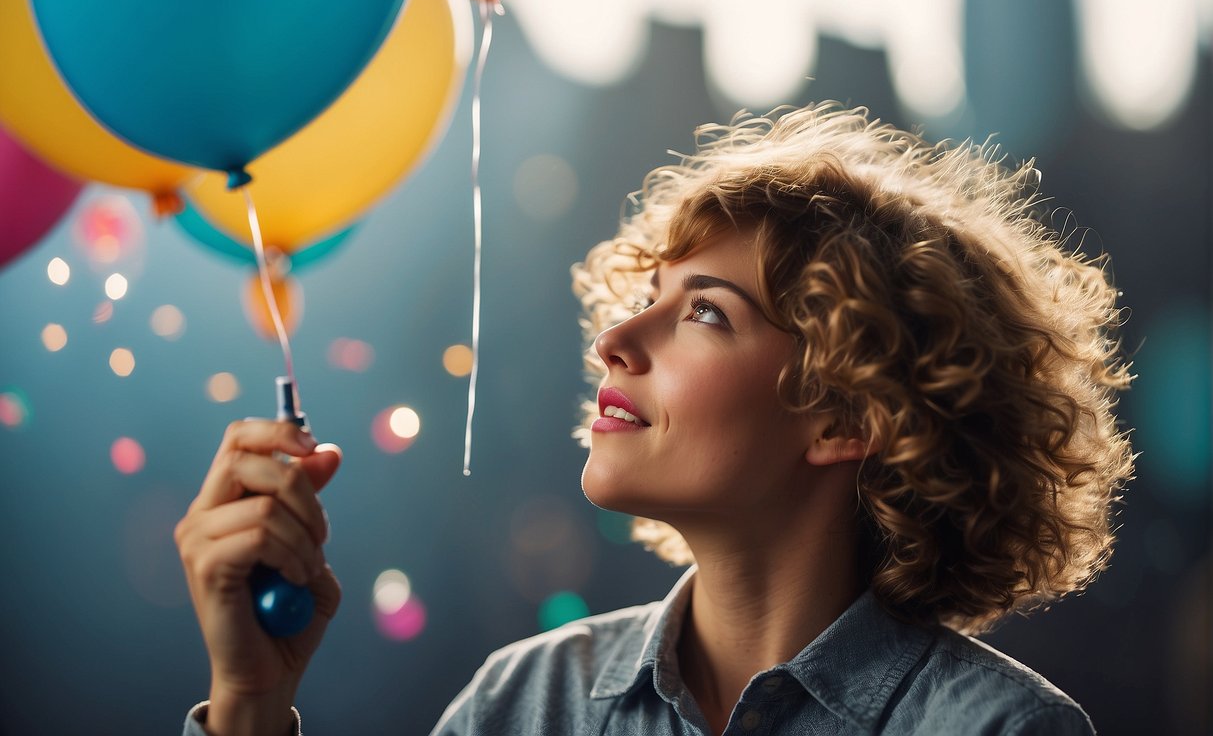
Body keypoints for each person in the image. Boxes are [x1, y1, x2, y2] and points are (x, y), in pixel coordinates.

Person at [175, 102, 1134, 735]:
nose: (614, 340)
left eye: (705, 313)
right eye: (646, 297)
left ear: (846, 415)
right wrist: (251, 701)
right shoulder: (525, 703)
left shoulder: (998, 729)